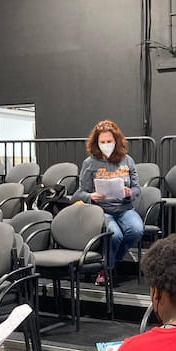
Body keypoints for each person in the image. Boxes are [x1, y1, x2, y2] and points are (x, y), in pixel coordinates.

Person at [73, 119, 143, 285]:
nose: (106, 144)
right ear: (96, 143)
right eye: (102, 142)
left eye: (109, 141)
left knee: (136, 230)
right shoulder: (89, 163)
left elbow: (137, 189)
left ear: (116, 141)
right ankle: (106, 270)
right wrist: (91, 197)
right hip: (102, 210)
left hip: (124, 208)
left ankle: (109, 263)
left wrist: (129, 193)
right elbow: (79, 193)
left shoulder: (127, 161)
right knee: (115, 235)